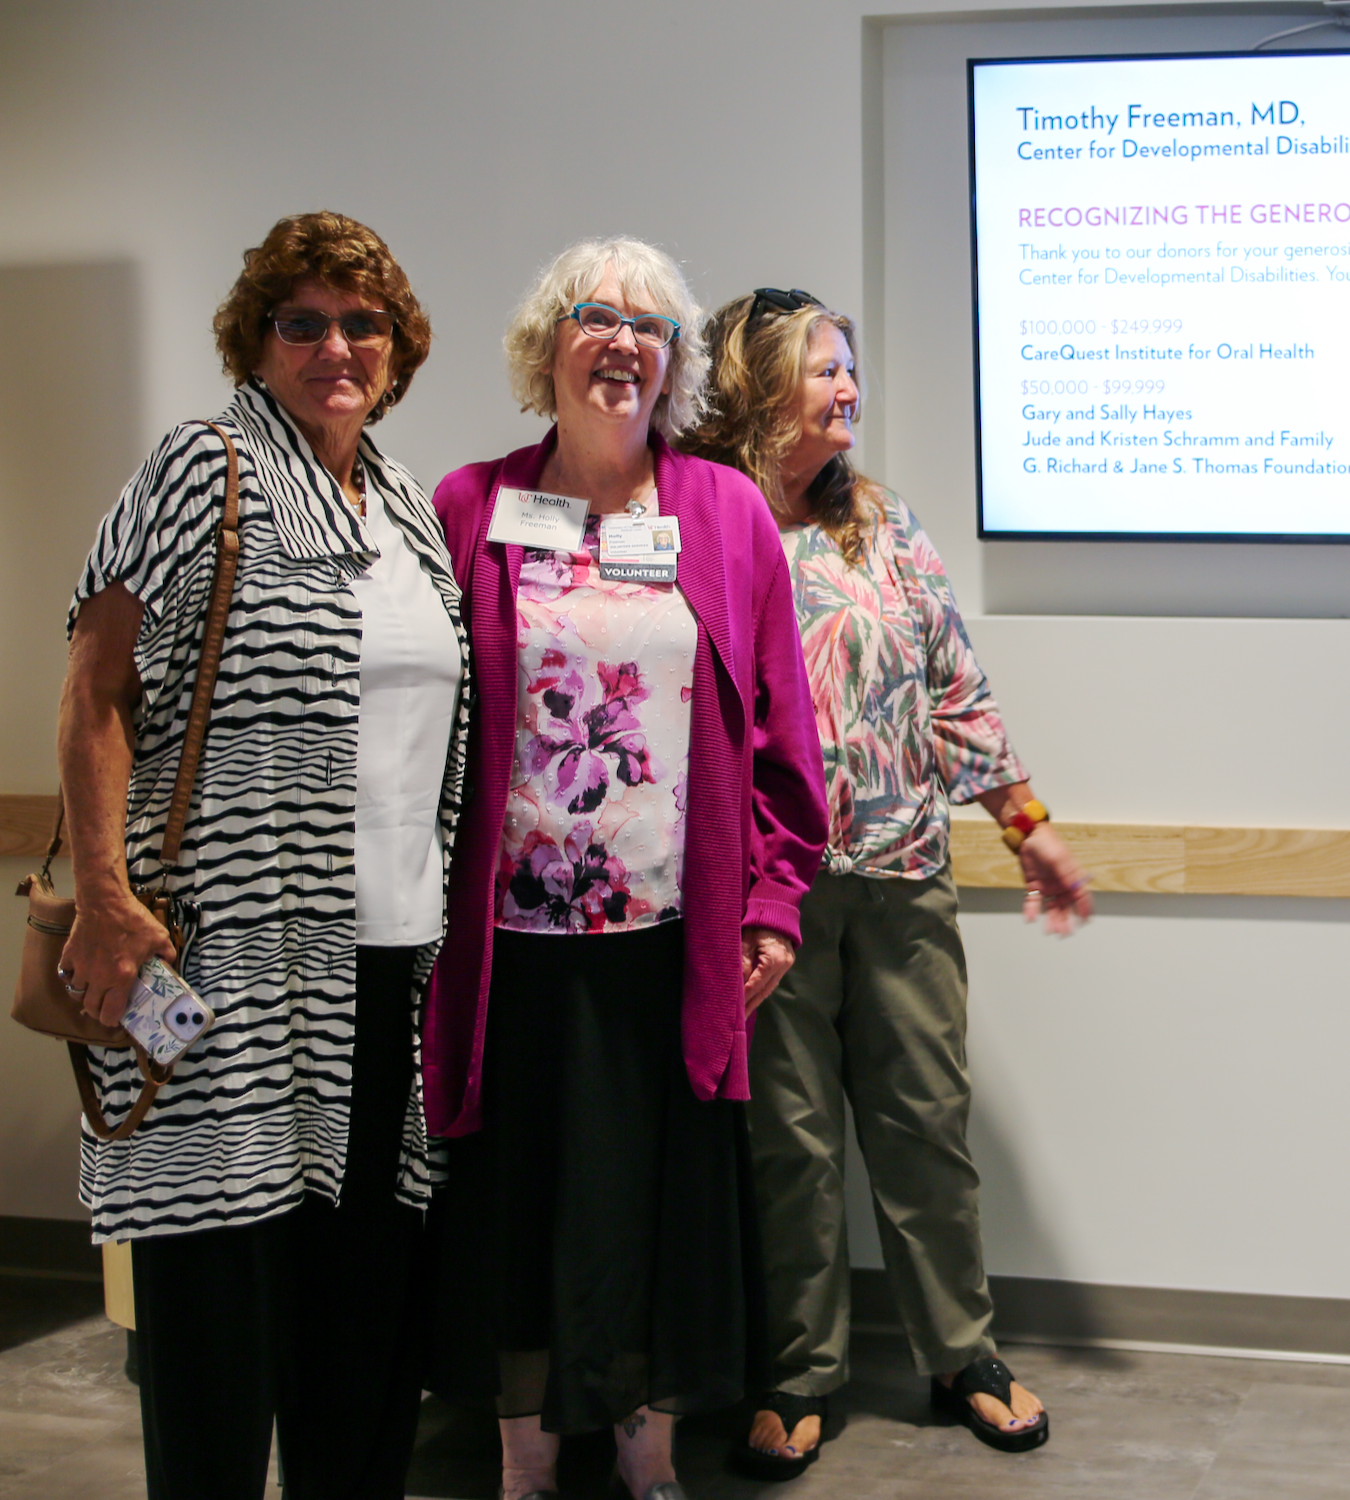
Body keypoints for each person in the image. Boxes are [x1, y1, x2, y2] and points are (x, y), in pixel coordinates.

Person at [57, 210, 468, 1499]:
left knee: (361, 1336)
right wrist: (106, 898)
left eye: (361, 322)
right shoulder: (206, 468)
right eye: (303, 322)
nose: (335, 346)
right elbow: (94, 690)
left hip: (388, 970)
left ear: (396, 347)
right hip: (222, 970)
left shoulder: (405, 504)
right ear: (257, 342)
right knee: (215, 1329)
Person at [420, 240, 830, 1500]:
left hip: (668, 934)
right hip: (506, 939)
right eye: (593, 319)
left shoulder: (722, 512)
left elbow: (779, 730)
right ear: (547, 348)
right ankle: (525, 1456)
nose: (622, 343)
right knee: (517, 1196)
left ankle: (649, 1455)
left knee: (653, 1195)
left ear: (673, 363)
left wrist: (770, 903)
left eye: (649, 326)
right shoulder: (469, 506)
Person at [681, 290, 1092, 1479]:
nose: (848, 390)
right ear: (760, 382)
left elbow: (955, 689)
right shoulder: (700, 520)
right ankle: (797, 1375)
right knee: (790, 1147)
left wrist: (1028, 828)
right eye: (824, 369)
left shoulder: (882, 524)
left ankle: (963, 1355)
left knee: (924, 1130)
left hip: (903, 879)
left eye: (850, 368)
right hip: (768, 901)